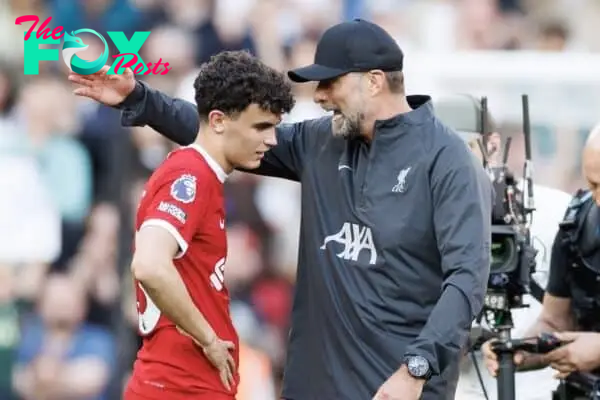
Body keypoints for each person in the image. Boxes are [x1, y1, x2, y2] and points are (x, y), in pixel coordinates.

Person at [69, 19, 493, 400]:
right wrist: (140, 97)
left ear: (375, 82)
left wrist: (416, 369)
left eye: (331, 83)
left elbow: (467, 280)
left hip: (399, 387)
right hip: (316, 386)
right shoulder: (322, 141)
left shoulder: (448, 160)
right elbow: (226, 130)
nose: (320, 96)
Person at [118, 50, 294, 400]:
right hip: (178, 385)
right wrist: (208, 339)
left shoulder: (201, 176)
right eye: (260, 126)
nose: (272, 141)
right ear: (217, 120)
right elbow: (150, 265)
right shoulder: (191, 175)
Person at [433, 94, 573, 399]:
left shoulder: (558, 211)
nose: (449, 167)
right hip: (467, 389)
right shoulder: (421, 226)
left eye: (461, 151)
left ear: (492, 145)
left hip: (546, 387)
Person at [479, 124, 600, 399]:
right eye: (592, 184)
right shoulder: (577, 225)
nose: (598, 198)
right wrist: (521, 351)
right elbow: (555, 322)